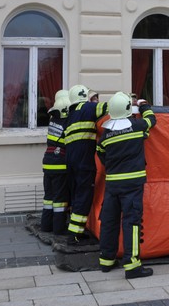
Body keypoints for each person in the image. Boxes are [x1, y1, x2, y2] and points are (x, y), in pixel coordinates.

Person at [97, 92, 156, 279]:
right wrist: (144, 104)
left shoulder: (106, 134)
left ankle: (106, 260)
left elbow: (101, 154)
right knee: (131, 222)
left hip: (113, 183)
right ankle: (132, 266)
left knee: (109, 221)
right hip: (133, 183)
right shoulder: (137, 126)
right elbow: (151, 120)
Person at [64, 84, 109, 244]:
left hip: (70, 163)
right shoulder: (88, 108)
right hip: (84, 162)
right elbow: (110, 107)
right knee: (84, 196)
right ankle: (75, 236)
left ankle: (74, 230)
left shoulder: (70, 114)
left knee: (76, 195)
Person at [41, 89, 70, 235]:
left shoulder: (53, 119)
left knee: (48, 197)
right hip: (60, 164)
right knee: (59, 199)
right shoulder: (67, 121)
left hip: (48, 162)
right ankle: (58, 228)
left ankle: (46, 226)